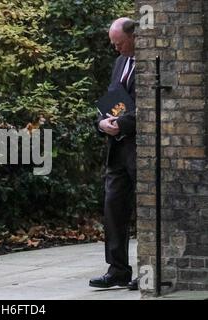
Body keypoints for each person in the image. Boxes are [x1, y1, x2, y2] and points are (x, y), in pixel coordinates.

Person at [89, 18, 138, 291]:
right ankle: (117, 269)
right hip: (117, 150)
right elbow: (112, 100)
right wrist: (102, 123)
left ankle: (147, 269)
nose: (116, 48)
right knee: (113, 208)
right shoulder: (120, 63)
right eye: (113, 43)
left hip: (140, 149)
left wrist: (122, 123)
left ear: (133, 37)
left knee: (146, 211)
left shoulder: (152, 59)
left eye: (119, 43)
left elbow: (150, 106)